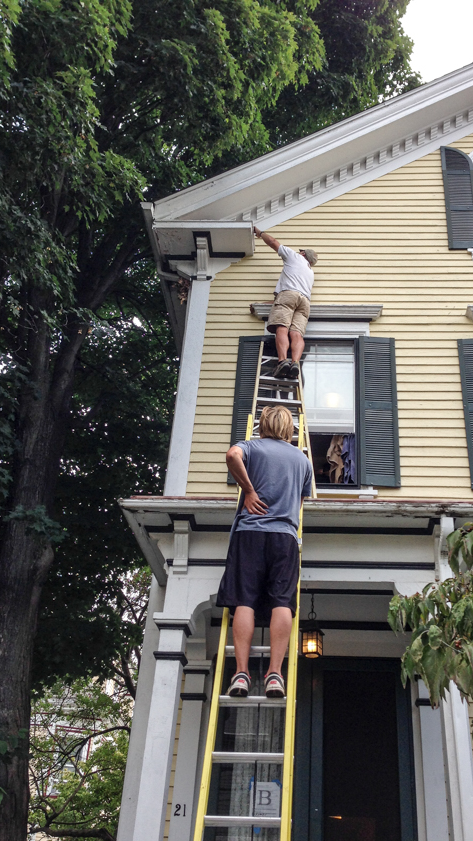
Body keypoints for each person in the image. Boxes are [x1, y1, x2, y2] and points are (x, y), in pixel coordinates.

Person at [217, 405, 313, 698]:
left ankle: (242, 674)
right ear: (289, 429)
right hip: (284, 537)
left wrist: (248, 490)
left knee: (244, 600)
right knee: (281, 601)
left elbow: (232, 455)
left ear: (262, 424)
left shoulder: (251, 447)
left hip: (250, 533)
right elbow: (299, 503)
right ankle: (274, 675)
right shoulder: (303, 460)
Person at [254, 226, 318, 380]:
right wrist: (263, 303)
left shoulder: (294, 257)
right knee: (296, 333)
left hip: (289, 296)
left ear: (302, 253)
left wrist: (260, 233)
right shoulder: (310, 273)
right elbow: (290, 298)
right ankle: (295, 362)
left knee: (282, 327)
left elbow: (274, 242)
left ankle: (282, 361)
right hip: (304, 302)